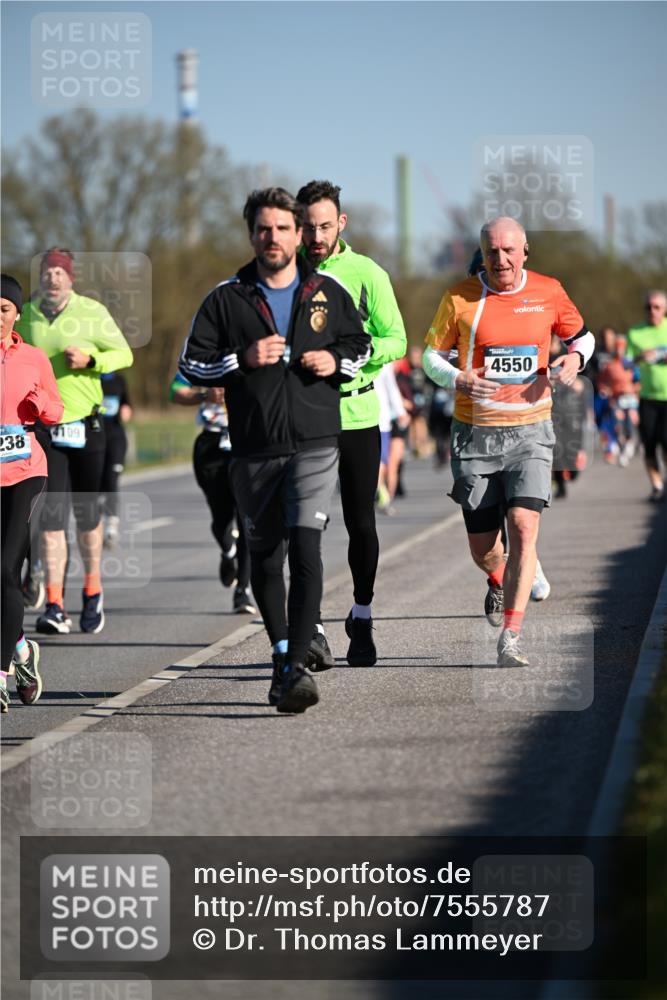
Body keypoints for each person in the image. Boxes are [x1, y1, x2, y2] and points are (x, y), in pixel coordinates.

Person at [179, 187, 370, 713]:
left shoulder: (327, 291)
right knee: (265, 556)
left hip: (315, 442)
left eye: (283, 228)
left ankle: (296, 666)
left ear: (298, 233)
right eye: (264, 229)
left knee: (307, 547)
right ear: (251, 235)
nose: (274, 237)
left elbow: (362, 346)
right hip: (254, 446)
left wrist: (336, 362)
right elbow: (192, 365)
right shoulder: (226, 298)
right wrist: (241, 359)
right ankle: (283, 652)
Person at [423, 217, 594, 666]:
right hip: (475, 433)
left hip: (531, 430)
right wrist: (459, 378)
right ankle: (502, 575)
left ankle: (511, 638)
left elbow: (583, 338)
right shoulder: (459, 297)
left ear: (524, 251)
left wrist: (574, 360)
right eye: (492, 251)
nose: (500, 259)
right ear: (482, 254)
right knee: (484, 549)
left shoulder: (548, 291)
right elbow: (430, 358)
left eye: (509, 250)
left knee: (522, 526)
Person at [296, 180, 407, 667]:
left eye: (325, 226)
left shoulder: (367, 273)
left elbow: (397, 339)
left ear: (341, 223)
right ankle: (313, 627)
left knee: (361, 523)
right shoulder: (286, 274)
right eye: (308, 227)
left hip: (358, 414)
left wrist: (354, 354)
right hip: (306, 417)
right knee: (305, 525)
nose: (316, 236)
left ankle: (361, 615)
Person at [16, 248, 133, 634]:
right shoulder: (26, 315)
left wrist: (91, 361)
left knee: (86, 517)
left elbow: (124, 355)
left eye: (59, 272)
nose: (52, 278)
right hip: (44, 428)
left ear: (71, 278)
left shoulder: (92, 312)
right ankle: (54, 604)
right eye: (47, 271)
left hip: (86, 425)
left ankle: (92, 590)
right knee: (51, 518)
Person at [1, 274, 63, 712]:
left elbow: (56, 410)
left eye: (3, 309)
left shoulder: (34, 358)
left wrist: (41, 404)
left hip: (25, 471)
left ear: (17, 314)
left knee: (6, 568)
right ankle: (22, 649)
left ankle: (1, 675)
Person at [169, 373, 256, 614]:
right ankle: (228, 551)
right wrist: (204, 395)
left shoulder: (258, 354)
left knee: (247, 517)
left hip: (248, 439)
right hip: (212, 444)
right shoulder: (202, 357)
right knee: (221, 518)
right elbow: (175, 392)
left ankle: (243, 591)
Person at [626, 290, 667, 501]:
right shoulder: (635, 332)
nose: (652, 310)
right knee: (649, 445)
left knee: (666, 442)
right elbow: (626, 362)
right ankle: (656, 485)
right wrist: (639, 357)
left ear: (664, 309)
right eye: (648, 307)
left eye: (657, 307)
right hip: (647, 398)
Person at [99, 371, 132, 547]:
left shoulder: (119, 379)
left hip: (115, 437)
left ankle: (111, 527)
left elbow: (127, 402)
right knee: (97, 484)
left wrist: (126, 410)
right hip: (94, 437)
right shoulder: (90, 377)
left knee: (111, 480)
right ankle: (96, 523)